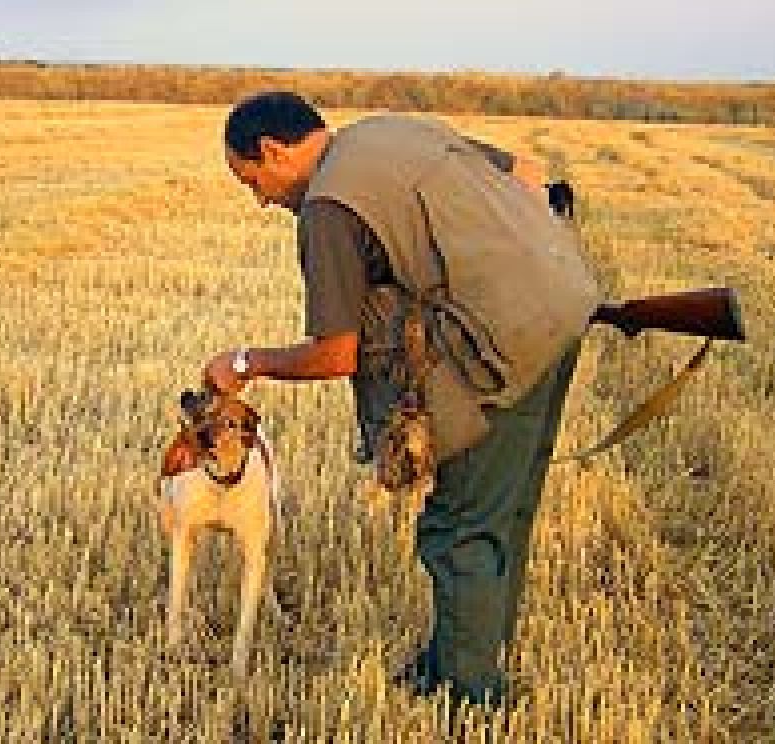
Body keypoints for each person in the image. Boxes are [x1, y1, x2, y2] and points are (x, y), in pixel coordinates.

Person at [204, 91, 599, 711]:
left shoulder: (328, 206)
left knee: (461, 525)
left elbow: (339, 353)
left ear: (274, 150)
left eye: (252, 180)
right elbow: (526, 173)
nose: (260, 199)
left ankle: (472, 699)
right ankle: (457, 659)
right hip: (564, 311)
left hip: (499, 351)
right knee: (505, 510)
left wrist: (248, 363)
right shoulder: (388, 131)